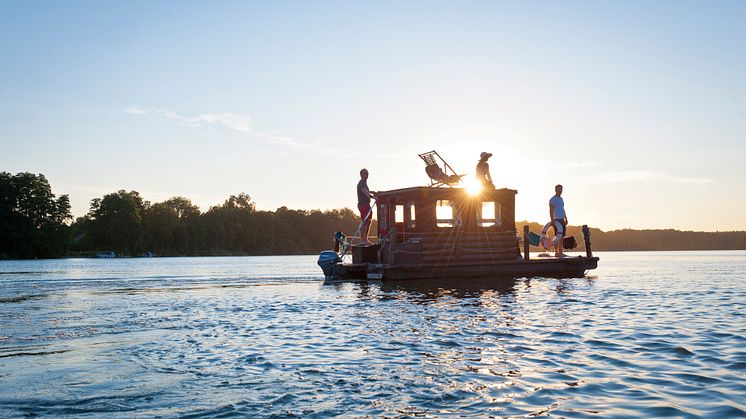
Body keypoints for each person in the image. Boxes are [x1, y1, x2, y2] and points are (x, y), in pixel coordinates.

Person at [549, 184, 568, 257]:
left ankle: (560, 251)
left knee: (562, 235)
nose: (560, 191)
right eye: (559, 189)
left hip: (562, 218)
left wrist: (566, 218)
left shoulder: (561, 199)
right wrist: (552, 220)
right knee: (557, 236)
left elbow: (563, 209)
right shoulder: (553, 199)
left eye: (561, 189)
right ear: (555, 190)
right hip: (556, 219)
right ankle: (556, 252)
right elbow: (551, 210)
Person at [357, 168, 375, 245]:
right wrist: (373, 197)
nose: (366, 175)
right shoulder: (361, 183)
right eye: (364, 173)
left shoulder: (364, 183)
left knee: (369, 220)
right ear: (361, 175)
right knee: (364, 221)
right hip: (363, 204)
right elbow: (365, 193)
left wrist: (372, 192)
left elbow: (367, 191)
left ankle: (365, 238)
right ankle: (362, 240)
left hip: (367, 204)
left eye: (367, 173)